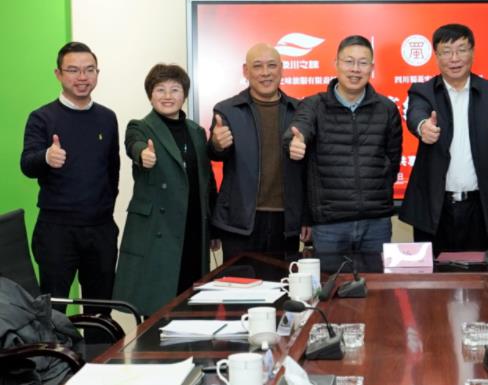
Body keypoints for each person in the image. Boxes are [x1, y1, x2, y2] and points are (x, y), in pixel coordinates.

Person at [399, 24, 488, 268]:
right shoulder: (423, 91)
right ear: (436, 56)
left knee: (481, 279)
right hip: (434, 210)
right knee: (432, 283)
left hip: (480, 209)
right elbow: (416, 114)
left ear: (472, 52)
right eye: (446, 51)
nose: (454, 58)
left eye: (461, 50)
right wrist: (423, 127)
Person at [284, 35, 402, 269]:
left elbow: (393, 160)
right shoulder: (313, 105)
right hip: (329, 225)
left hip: (376, 223)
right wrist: (293, 142)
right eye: (349, 61)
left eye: (363, 62)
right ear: (336, 63)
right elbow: (297, 129)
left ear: (371, 67)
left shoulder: (387, 108)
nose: (355, 69)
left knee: (377, 288)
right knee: (330, 288)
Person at [20, 42, 119, 314]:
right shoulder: (42, 117)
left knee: (100, 311)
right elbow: (27, 164)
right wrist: (46, 157)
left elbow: (112, 170)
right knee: (53, 313)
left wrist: (104, 212)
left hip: (100, 230)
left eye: (89, 70)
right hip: (57, 231)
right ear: (58, 74)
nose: (82, 77)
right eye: (73, 70)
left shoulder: (107, 118)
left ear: (97, 73)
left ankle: (99, 346)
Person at [112, 64, 217, 316]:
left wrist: (213, 226)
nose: (167, 96)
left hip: (193, 228)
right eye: (160, 89)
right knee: (157, 308)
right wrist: (142, 155)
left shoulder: (196, 131)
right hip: (158, 232)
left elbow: (207, 179)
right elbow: (133, 144)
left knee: (192, 305)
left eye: (175, 89)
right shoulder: (140, 126)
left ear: (184, 95)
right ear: (150, 95)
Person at [209, 43, 309, 262]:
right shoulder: (227, 110)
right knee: (240, 283)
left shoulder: (300, 111)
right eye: (257, 66)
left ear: (281, 69)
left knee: (284, 282)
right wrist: (217, 143)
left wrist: (306, 216)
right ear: (246, 71)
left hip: (285, 223)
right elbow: (215, 153)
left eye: (272, 65)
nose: (265, 73)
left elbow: (309, 171)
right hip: (239, 222)